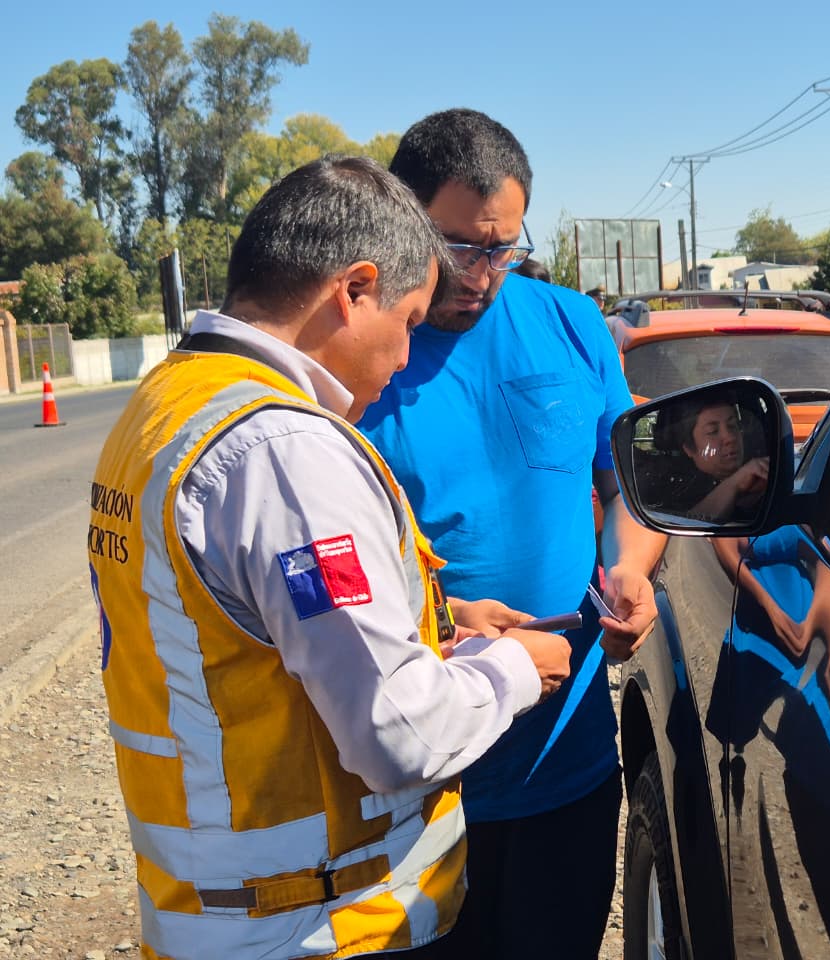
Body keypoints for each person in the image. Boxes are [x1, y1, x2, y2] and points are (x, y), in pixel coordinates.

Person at [85, 156, 572, 960]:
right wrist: (518, 668)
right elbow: (398, 737)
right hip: (319, 925)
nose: (407, 358)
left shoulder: (168, 404)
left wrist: (437, 622)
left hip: (212, 916)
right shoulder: (285, 452)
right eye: (409, 321)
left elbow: (248, 626)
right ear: (353, 290)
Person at [359, 108, 666, 960]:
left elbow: (628, 486)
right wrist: (442, 617)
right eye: (460, 247)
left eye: (503, 248)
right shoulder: (363, 352)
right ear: (401, 217)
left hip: (564, 765)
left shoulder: (570, 324)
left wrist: (632, 571)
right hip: (417, 791)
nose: (483, 274)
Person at [641, 389, 770, 522]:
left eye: (732, 425)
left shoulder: (758, 472)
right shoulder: (677, 488)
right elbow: (686, 526)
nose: (730, 437)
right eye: (713, 431)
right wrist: (734, 484)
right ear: (688, 448)